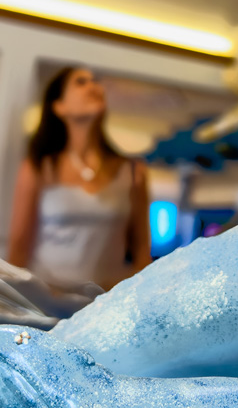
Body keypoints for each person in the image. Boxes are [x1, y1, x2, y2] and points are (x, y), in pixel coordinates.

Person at [7, 65, 150, 292]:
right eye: (81, 82)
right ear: (59, 107)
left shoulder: (133, 171)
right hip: (47, 302)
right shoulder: (39, 167)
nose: (93, 86)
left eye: (95, 81)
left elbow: (142, 249)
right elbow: (19, 246)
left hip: (105, 303)